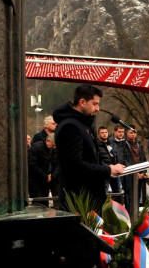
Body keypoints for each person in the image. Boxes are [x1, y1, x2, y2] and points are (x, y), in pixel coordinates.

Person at [53, 84, 125, 212]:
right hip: (80, 201)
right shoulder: (70, 127)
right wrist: (107, 170)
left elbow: (91, 158)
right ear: (82, 102)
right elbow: (74, 165)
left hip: (90, 197)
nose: (98, 109)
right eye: (95, 104)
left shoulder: (83, 124)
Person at [28, 133, 57, 206]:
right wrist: (45, 176)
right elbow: (32, 164)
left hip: (45, 180)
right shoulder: (36, 147)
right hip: (36, 180)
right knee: (38, 202)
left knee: (44, 201)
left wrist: (51, 175)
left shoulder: (50, 149)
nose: (54, 147)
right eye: (53, 145)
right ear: (47, 141)